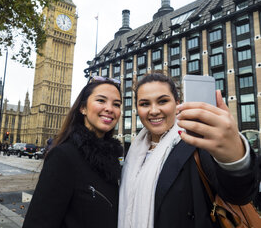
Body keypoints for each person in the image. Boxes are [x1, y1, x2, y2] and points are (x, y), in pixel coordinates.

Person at [118, 73, 259, 228]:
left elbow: (238, 193)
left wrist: (235, 157)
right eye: (144, 104)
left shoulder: (197, 142)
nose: (154, 110)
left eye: (163, 101)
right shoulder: (133, 152)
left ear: (177, 103)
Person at [23, 76, 123, 228]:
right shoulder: (64, 157)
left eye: (116, 104)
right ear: (83, 108)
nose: (109, 108)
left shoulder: (112, 160)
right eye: (101, 100)